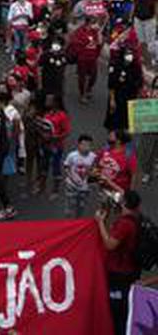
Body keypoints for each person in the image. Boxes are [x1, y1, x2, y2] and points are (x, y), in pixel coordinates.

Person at [98, 189, 143, 334]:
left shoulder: (124, 224)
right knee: (123, 306)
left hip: (118, 274)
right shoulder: (137, 218)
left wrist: (100, 223)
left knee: (117, 311)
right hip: (130, 270)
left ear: (124, 203)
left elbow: (110, 245)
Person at [63, 135, 97, 218]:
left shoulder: (94, 157)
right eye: (84, 145)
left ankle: (77, 222)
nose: (86, 147)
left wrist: (92, 180)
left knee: (81, 207)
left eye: (89, 145)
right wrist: (71, 177)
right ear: (78, 145)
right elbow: (66, 167)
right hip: (71, 186)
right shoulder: (72, 155)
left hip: (85, 188)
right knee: (69, 207)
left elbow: (95, 169)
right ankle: (67, 223)